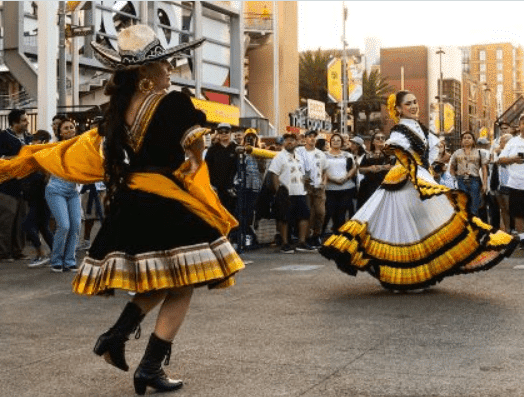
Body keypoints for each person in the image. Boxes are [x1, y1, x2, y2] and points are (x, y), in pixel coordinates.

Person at [0, 25, 244, 395]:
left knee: (171, 279)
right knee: (185, 282)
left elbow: (81, 150)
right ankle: (146, 364)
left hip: (131, 205)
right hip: (164, 202)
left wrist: (31, 159)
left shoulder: (114, 115)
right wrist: (194, 161)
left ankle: (118, 338)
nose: (170, 69)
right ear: (146, 73)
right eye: (164, 64)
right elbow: (194, 141)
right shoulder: (173, 101)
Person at [319, 90, 517, 292]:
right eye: (408, 103)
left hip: (418, 177)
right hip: (404, 180)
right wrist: (401, 153)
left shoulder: (420, 128)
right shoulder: (399, 130)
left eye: (415, 102)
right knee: (401, 227)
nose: (414, 106)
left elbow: (436, 148)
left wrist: (428, 167)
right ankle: (403, 277)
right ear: (397, 108)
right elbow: (398, 145)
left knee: (427, 222)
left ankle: (419, 272)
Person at [268, 132, 315, 253]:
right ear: (283, 143)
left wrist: (307, 185)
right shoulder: (279, 156)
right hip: (286, 191)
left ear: (296, 143)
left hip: (300, 190)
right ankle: (285, 243)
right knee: (284, 218)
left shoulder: (300, 157)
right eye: (287, 140)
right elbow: (274, 174)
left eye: (292, 140)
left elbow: (305, 173)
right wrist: (278, 191)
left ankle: (302, 242)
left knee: (304, 215)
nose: (289, 142)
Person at [45, 119, 82, 272]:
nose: (69, 130)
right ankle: (56, 259)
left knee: (75, 226)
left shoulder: (81, 147)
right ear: (60, 132)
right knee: (64, 225)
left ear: (75, 130)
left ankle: (69, 260)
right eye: (65, 128)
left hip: (73, 191)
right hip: (55, 189)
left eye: (71, 127)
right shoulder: (55, 147)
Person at [0, 109, 32, 261]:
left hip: (24, 187)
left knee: (21, 220)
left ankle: (18, 251)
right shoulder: (3, 137)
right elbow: (2, 159)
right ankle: (3, 253)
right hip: (7, 186)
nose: (27, 122)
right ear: (15, 123)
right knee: (7, 221)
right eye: (24, 120)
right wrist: (21, 158)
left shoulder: (28, 137)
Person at [22, 129, 54, 268]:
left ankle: (41, 254)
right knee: (43, 227)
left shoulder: (44, 155)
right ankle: (57, 254)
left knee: (28, 225)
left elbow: (45, 176)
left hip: (41, 198)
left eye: (35, 140)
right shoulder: (33, 153)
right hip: (37, 197)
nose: (32, 142)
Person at [295, 129, 328, 248]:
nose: (312, 138)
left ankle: (316, 234)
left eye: (314, 136)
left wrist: (324, 183)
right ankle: (307, 237)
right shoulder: (298, 151)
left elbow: (325, 170)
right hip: (304, 185)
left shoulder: (320, 154)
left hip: (318, 186)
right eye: (310, 136)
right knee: (308, 212)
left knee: (320, 212)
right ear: (305, 138)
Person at [323, 133, 357, 236]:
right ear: (330, 142)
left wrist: (346, 178)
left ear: (342, 143)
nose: (336, 142)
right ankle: (331, 233)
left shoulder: (347, 155)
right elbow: (322, 169)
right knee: (331, 211)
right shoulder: (324, 155)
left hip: (346, 187)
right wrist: (332, 179)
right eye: (333, 140)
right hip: (330, 187)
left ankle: (340, 235)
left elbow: (354, 168)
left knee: (342, 211)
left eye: (338, 140)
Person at [448, 131, 489, 217]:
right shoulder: (456, 153)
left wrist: (485, 184)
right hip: (461, 180)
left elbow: (484, 169)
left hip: (475, 180)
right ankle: (466, 226)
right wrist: (455, 176)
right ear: (461, 141)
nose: (466, 140)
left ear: (473, 141)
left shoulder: (480, 153)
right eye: (464, 138)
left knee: (475, 204)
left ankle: (475, 225)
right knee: (463, 204)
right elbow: (451, 167)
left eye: (469, 138)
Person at [498, 114, 524, 240]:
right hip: (515, 184)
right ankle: (523, 239)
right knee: (518, 214)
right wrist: (512, 159)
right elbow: (500, 159)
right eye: (523, 123)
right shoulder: (513, 142)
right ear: (519, 126)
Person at [205, 122, 238, 215]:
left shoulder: (236, 149)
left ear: (230, 133)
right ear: (218, 134)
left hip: (232, 189)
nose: (224, 134)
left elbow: (240, 169)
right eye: (221, 132)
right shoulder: (212, 150)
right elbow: (207, 168)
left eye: (226, 131)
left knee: (231, 214)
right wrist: (210, 185)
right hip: (216, 188)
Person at [356, 131, 395, 209]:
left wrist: (381, 167)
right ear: (373, 142)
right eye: (377, 138)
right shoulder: (367, 155)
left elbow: (395, 167)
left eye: (383, 138)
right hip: (368, 187)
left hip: (385, 186)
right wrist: (369, 168)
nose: (380, 139)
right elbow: (360, 170)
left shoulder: (391, 155)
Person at [493, 133, 513, 232]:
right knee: (503, 209)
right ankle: (507, 230)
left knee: (511, 209)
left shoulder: (513, 153)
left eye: (502, 141)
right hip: (499, 184)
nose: (500, 143)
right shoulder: (497, 152)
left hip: (510, 185)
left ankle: (515, 230)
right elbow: (493, 160)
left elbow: (499, 161)